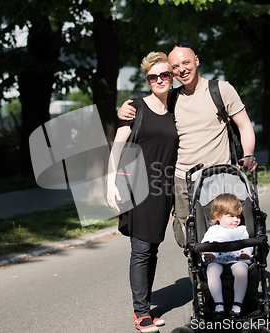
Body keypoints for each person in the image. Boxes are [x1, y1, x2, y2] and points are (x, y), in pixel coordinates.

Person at [118, 42, 258, 248]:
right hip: (184, 181)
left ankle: (232, 274)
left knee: (228, 231)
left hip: (220, 176)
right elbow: (148, 110)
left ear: (196, 61)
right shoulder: (171, 98)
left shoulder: (220, 90)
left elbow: (245, 125)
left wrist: (249, 154)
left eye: (186, 62)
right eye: (175, 67)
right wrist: (123, 111)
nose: (182, 69)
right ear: (172, 73)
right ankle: (200, 280)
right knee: (190, 238)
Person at [106, 51, 178, 333]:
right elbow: (119, 143)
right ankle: (140, 313)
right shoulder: (137, 106)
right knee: (141, 249)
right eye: (153, 76)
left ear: (171, 77)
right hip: (138, 185)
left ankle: (145, 307)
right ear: (148, 80)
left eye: (164, 75)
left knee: (154, 247)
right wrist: (110, 179)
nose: (159, 80)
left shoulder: (176, 106)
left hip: (164, 186)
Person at [201, 193, 252, 319]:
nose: (236, 220)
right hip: (217, 259)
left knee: (241, 270)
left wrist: (246, 252)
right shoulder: (213, 230)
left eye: (238, 216)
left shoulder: (241, 230)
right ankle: (219, 304)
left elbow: (248, 243)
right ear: (218, 216)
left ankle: (237, 304)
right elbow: (204, 244)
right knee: (212, 270)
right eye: (231, 216)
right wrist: (207, 252)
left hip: (236, 259)